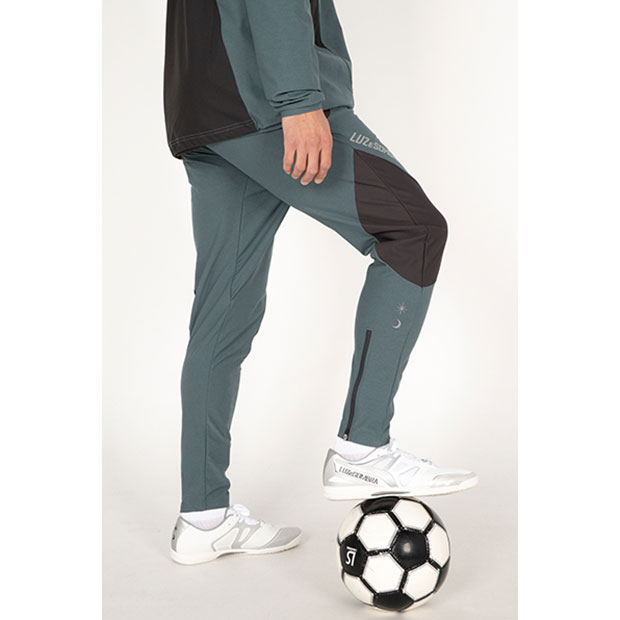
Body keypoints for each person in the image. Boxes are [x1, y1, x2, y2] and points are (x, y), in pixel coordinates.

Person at [164, 0, 477, 565]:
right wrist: (299, 101)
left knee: (223, 313)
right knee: (414, 232)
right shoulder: (285, 100)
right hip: (264, 97)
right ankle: (363, 447)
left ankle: (203, 518)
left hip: (204, 108)